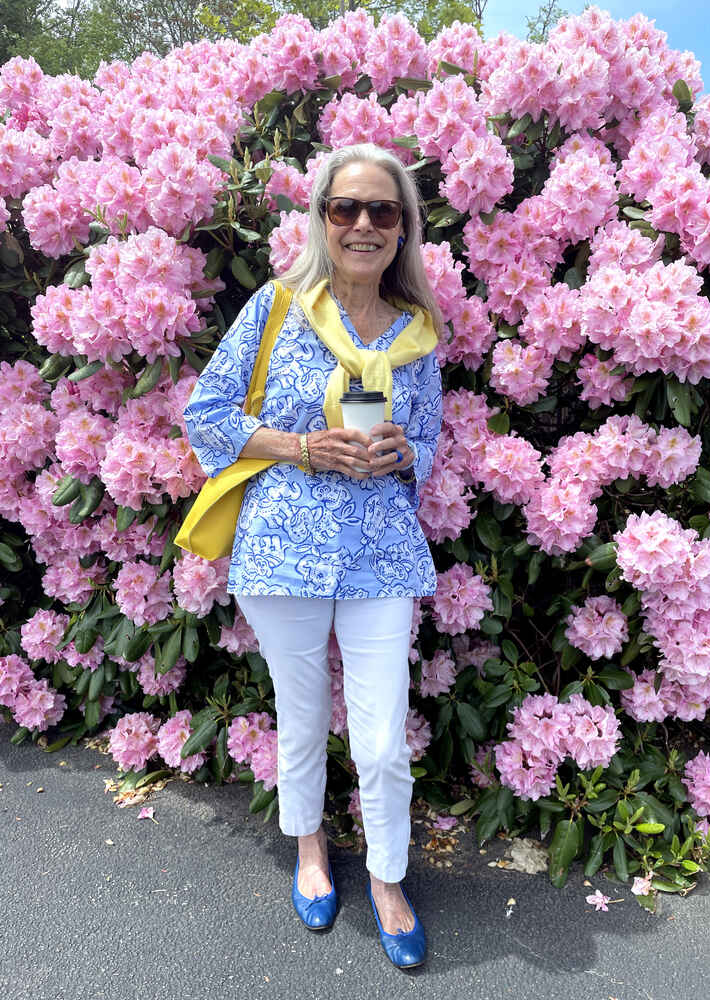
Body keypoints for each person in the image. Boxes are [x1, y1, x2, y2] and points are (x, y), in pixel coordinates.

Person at [183, 142, 443, 969]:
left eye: (383, 211)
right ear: (322, 220)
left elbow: (432, 443)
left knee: (381, 739)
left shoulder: (419, 332)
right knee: (300, 721)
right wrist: (304, 447)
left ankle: (390, 878)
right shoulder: (276, 306)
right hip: (282, 554)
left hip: (381, 556)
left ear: (403, 228)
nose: (365, 224)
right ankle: (308, 850)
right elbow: (208, 415)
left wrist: (405, 451)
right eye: (347, 209)